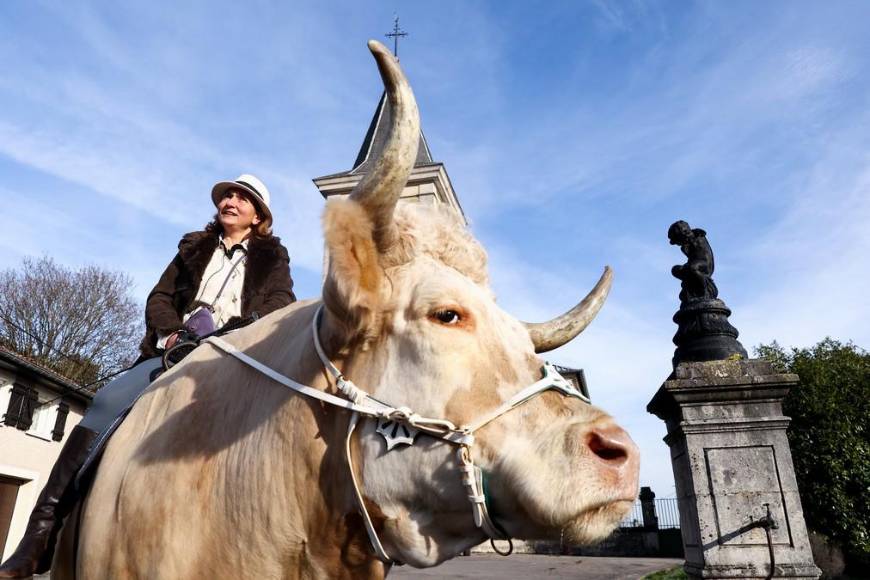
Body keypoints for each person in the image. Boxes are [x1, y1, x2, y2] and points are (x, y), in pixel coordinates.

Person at [0, 174, 296, 578]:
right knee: (105, 402)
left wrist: (236, 331)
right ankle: (41, 534)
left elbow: (281, 302)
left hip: (231, 354)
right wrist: (171, 332)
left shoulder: (274, 258)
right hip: (174, 351)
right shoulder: (193, 246)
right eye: (227, 195)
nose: (231, 201)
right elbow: (159, 296)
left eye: (242, 198)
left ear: (258, 215)